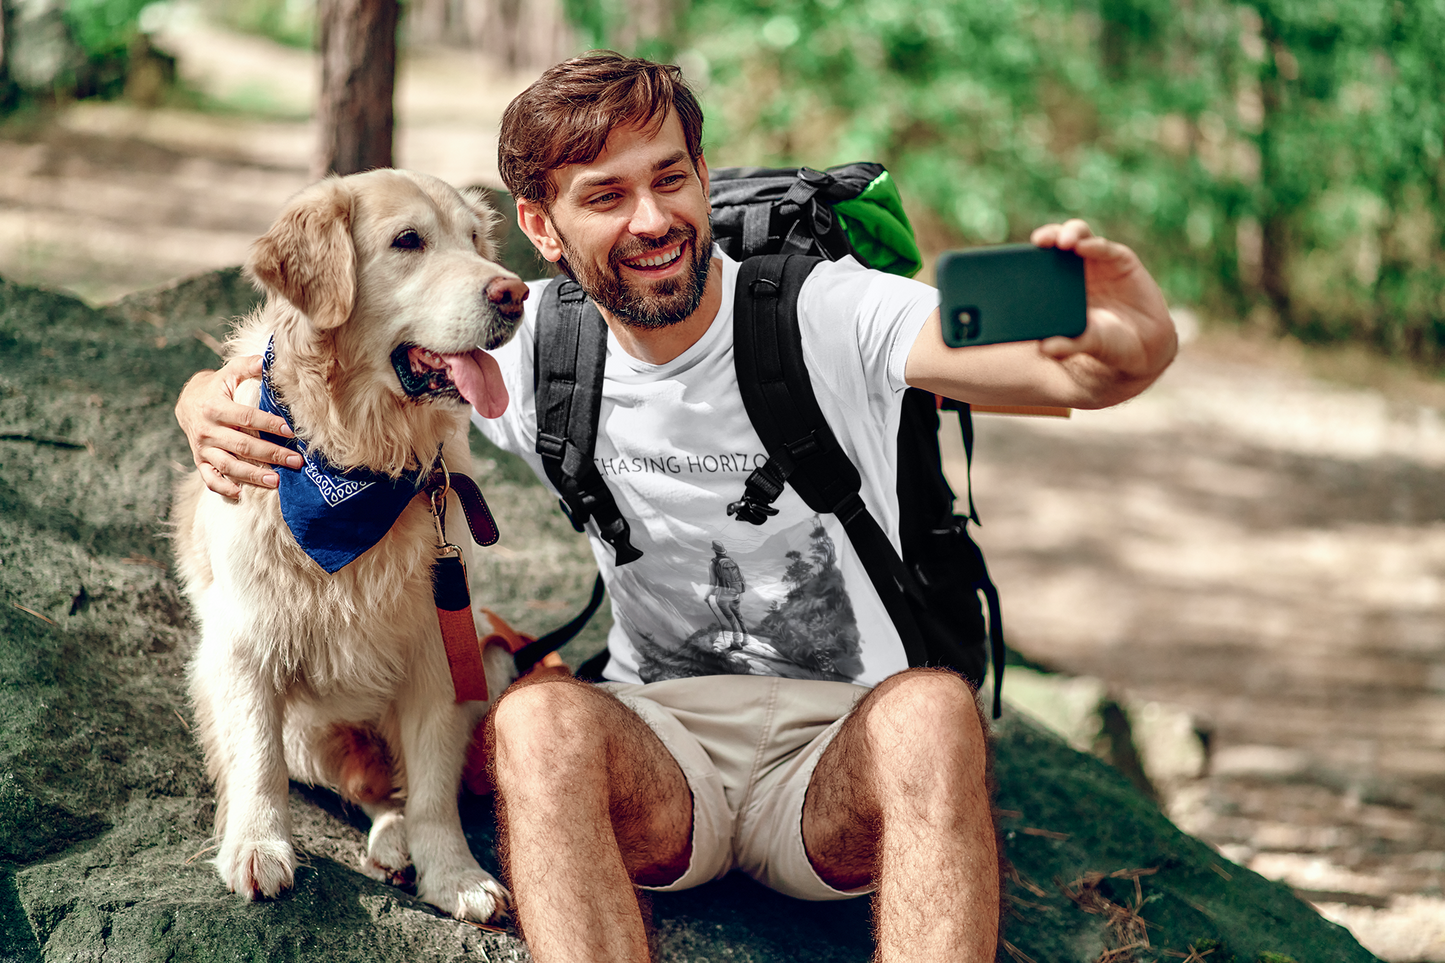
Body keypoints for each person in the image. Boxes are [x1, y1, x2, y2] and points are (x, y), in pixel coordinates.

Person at [175, 52, 1177, 963]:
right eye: (604, 196)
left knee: (932, 711)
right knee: (536, 725)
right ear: (543, 229)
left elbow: (1072, 374)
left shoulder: (824, 311)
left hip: (837, 762)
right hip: (662, 763)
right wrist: (201, 405)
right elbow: (317, 364)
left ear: (701, 177)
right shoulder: (521, 357)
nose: (651, 220)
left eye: (669, 178)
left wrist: (1132, 339)